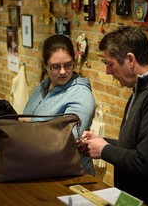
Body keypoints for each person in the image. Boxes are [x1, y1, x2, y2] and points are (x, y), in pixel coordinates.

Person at [77, 25, 148, 205]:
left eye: (110, 64)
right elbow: (137, 146)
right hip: (133, 199)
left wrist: (104, 150)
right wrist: (101, 141)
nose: (108, 72)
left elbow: (147, 162)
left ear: (130, 60)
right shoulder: (142, 89)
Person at [23, 34, 96, 176]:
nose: (63, 72)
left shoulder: (81, 94)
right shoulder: (42, 87)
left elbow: (67, 138)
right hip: (37, 167)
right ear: (45, 65)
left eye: (68, 65)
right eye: (55, 67)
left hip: (69, 174)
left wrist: (28, 122)